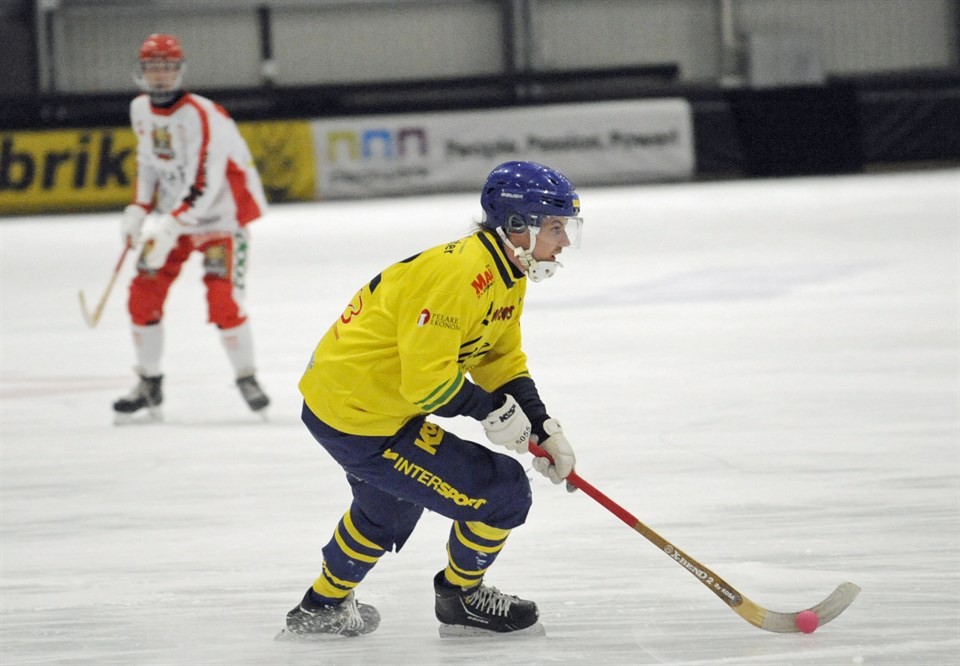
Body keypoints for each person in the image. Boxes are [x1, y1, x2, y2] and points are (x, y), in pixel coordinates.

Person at [283, 161, 581, 638]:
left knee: (389, 505)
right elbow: (427, 384)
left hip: (358, 404)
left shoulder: (504, 271)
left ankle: (321, 606)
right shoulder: (460, 275)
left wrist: (543, 425)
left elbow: (500, 361)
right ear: (516, 226)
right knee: (503, 491)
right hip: (359, 414)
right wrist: (490, 411)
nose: (563, 242)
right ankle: (461, 599)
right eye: (555, 227)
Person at [113, 34, 270, 422]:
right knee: (143, 292)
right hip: (176, 218)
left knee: (223, 299)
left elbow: (206, 179)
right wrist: (138, 208)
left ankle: (246, 376)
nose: (161, 76)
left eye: (168, 68)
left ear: (180, 70)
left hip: (221, 219)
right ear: (141, 71)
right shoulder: (139, 109)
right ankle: (149, 381)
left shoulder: (202, 114)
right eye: (153, 68)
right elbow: (148, 163)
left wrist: (170, 225)